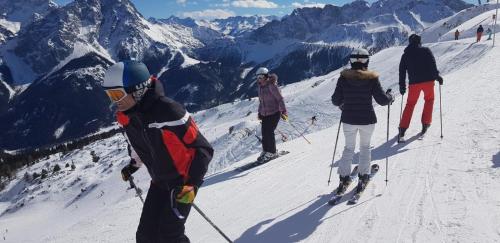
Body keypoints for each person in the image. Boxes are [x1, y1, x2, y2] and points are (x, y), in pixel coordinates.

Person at [101, 60, 213, 243]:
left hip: (182, 182)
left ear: (137, 89)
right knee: (146, 236)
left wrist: (190, 185)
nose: (114, 101)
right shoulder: (129, 117)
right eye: (109, 95)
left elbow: (203, 149)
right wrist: (133, 166)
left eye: (116, 94)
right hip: (160, 181)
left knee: (169, 234)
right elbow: (141, 145)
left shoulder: (168, 111)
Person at [331, 48, 393, 195]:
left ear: (351, 60)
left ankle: (343, 177)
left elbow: (335, 100)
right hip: (367, 119)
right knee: (365, 147)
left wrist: (344, 104)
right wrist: (390, 96)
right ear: (367, 60)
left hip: (348, 119)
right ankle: (363, 176)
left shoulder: (343, 78)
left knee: (348, 148)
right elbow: (383, 100)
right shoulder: (371, 78)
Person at [398, 34, 443, 142]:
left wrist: (402, 86)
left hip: (414, 84)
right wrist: (437, 77)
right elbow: (433, 65)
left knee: (410, 104)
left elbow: (402, 72)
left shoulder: (406, 55)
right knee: (429, 100)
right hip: (428, 82)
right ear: (419, 42)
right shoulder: (426, 51)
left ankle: (403, 129)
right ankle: (425, 124)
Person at [256, 67, 288, 162]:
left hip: (275, 112)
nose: (259, 79)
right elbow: (261, 101)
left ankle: (272, 152)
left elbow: (280, 99)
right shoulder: (260, 87)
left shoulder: (272, 86)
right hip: (265, 114)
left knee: (269, 132)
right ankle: (266, 151)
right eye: (257, 77)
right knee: (264, 132)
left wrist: (284, 111)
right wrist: (259, 112)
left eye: (261, 76)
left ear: (266, 76)